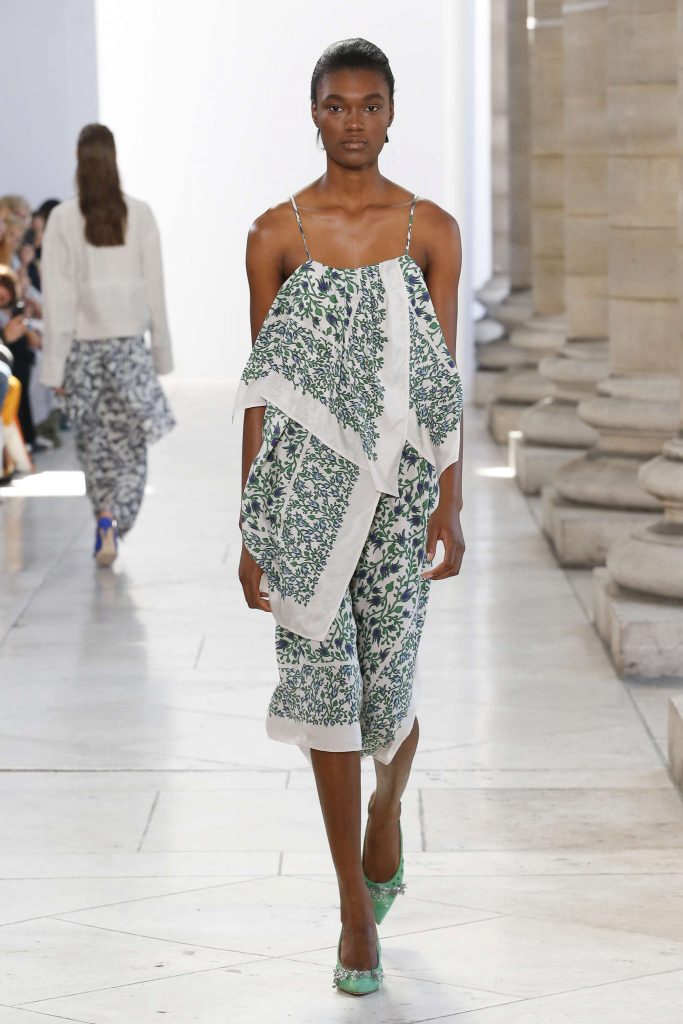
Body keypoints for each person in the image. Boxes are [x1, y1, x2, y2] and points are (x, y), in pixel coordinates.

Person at [234, 38, 465, 996]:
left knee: (389, 694)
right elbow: (262, 389)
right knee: (326, 690)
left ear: (392, 113)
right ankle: (351, 911)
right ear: (314, 113)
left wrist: (451, 502)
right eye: (337, 105)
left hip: (402, 494)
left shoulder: (430, 231)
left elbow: (443, 379)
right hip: (302, 498)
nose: (354, 122)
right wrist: (249, 525)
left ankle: (386, 808)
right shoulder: (275, 235)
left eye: (370, 106)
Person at [41, 123, 175, 566]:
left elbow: (58, 300)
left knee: (94, 447)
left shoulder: (62, 219)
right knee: (132, 449)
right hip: (128, 352)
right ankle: (117, 521)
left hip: (83, 354)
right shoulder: (140, 214)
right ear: (114, 158)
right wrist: (161, 354)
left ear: (78, 160)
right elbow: (155, 290)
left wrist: (54, 367)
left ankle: (102, 517)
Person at [0, 266, 41, 450]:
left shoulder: (17, 311)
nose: (2, 292)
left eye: (6, 286)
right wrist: (5, 337)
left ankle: (27, 440)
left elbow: (35, 341)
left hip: (21, 362)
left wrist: (25, 328)